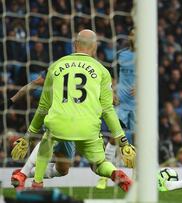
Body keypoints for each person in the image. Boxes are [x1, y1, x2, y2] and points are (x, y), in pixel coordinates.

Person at [12, 29, 135, 191]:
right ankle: (114, 173)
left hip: (59, 125)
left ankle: (36, 182)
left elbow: (43, 107)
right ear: (95, 46)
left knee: (48, 139)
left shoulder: (56, 66)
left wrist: (27, 137)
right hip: (87, 127)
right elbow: (108, 110)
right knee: (98, 164)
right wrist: (123, 142)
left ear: (74, 45)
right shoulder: (102, 71)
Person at [97, 27, 136, 189]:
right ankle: (104, 176)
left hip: (139, 105)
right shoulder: (122, 55)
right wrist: (112, 91)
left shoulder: (148, 55)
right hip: (121, 102)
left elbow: (154, 77)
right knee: (115, 136)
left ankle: (136, 178)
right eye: (133, 34)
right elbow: (112, 76)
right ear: (130, 37)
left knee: (138, 141)